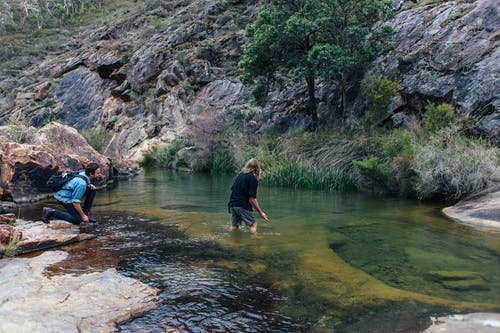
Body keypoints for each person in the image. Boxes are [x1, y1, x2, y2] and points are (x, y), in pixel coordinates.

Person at [228, 158, 268, 235]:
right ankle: (253, 243)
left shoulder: (240, 175)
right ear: (257, 168)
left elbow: (232, 189)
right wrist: (260, 212)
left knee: (234, 227)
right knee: (253, 225)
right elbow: (252, 199)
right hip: (242, 205)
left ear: (247, 165)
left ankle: (230, 242)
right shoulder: (252, 179)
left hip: (233, 204)